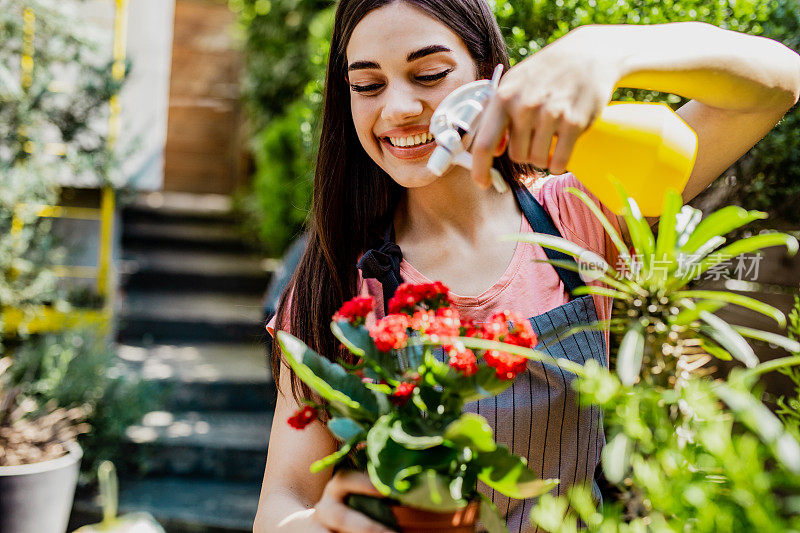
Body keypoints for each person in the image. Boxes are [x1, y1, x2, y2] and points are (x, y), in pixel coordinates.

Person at [255, 1, 800, 531]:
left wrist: (609, 49)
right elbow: (281, 503)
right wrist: (329, 522)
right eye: (368, 85)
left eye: (429, 74)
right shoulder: (337, 282)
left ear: (492, 77)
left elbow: (776, 85)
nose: (397, 108)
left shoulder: (578, 215)